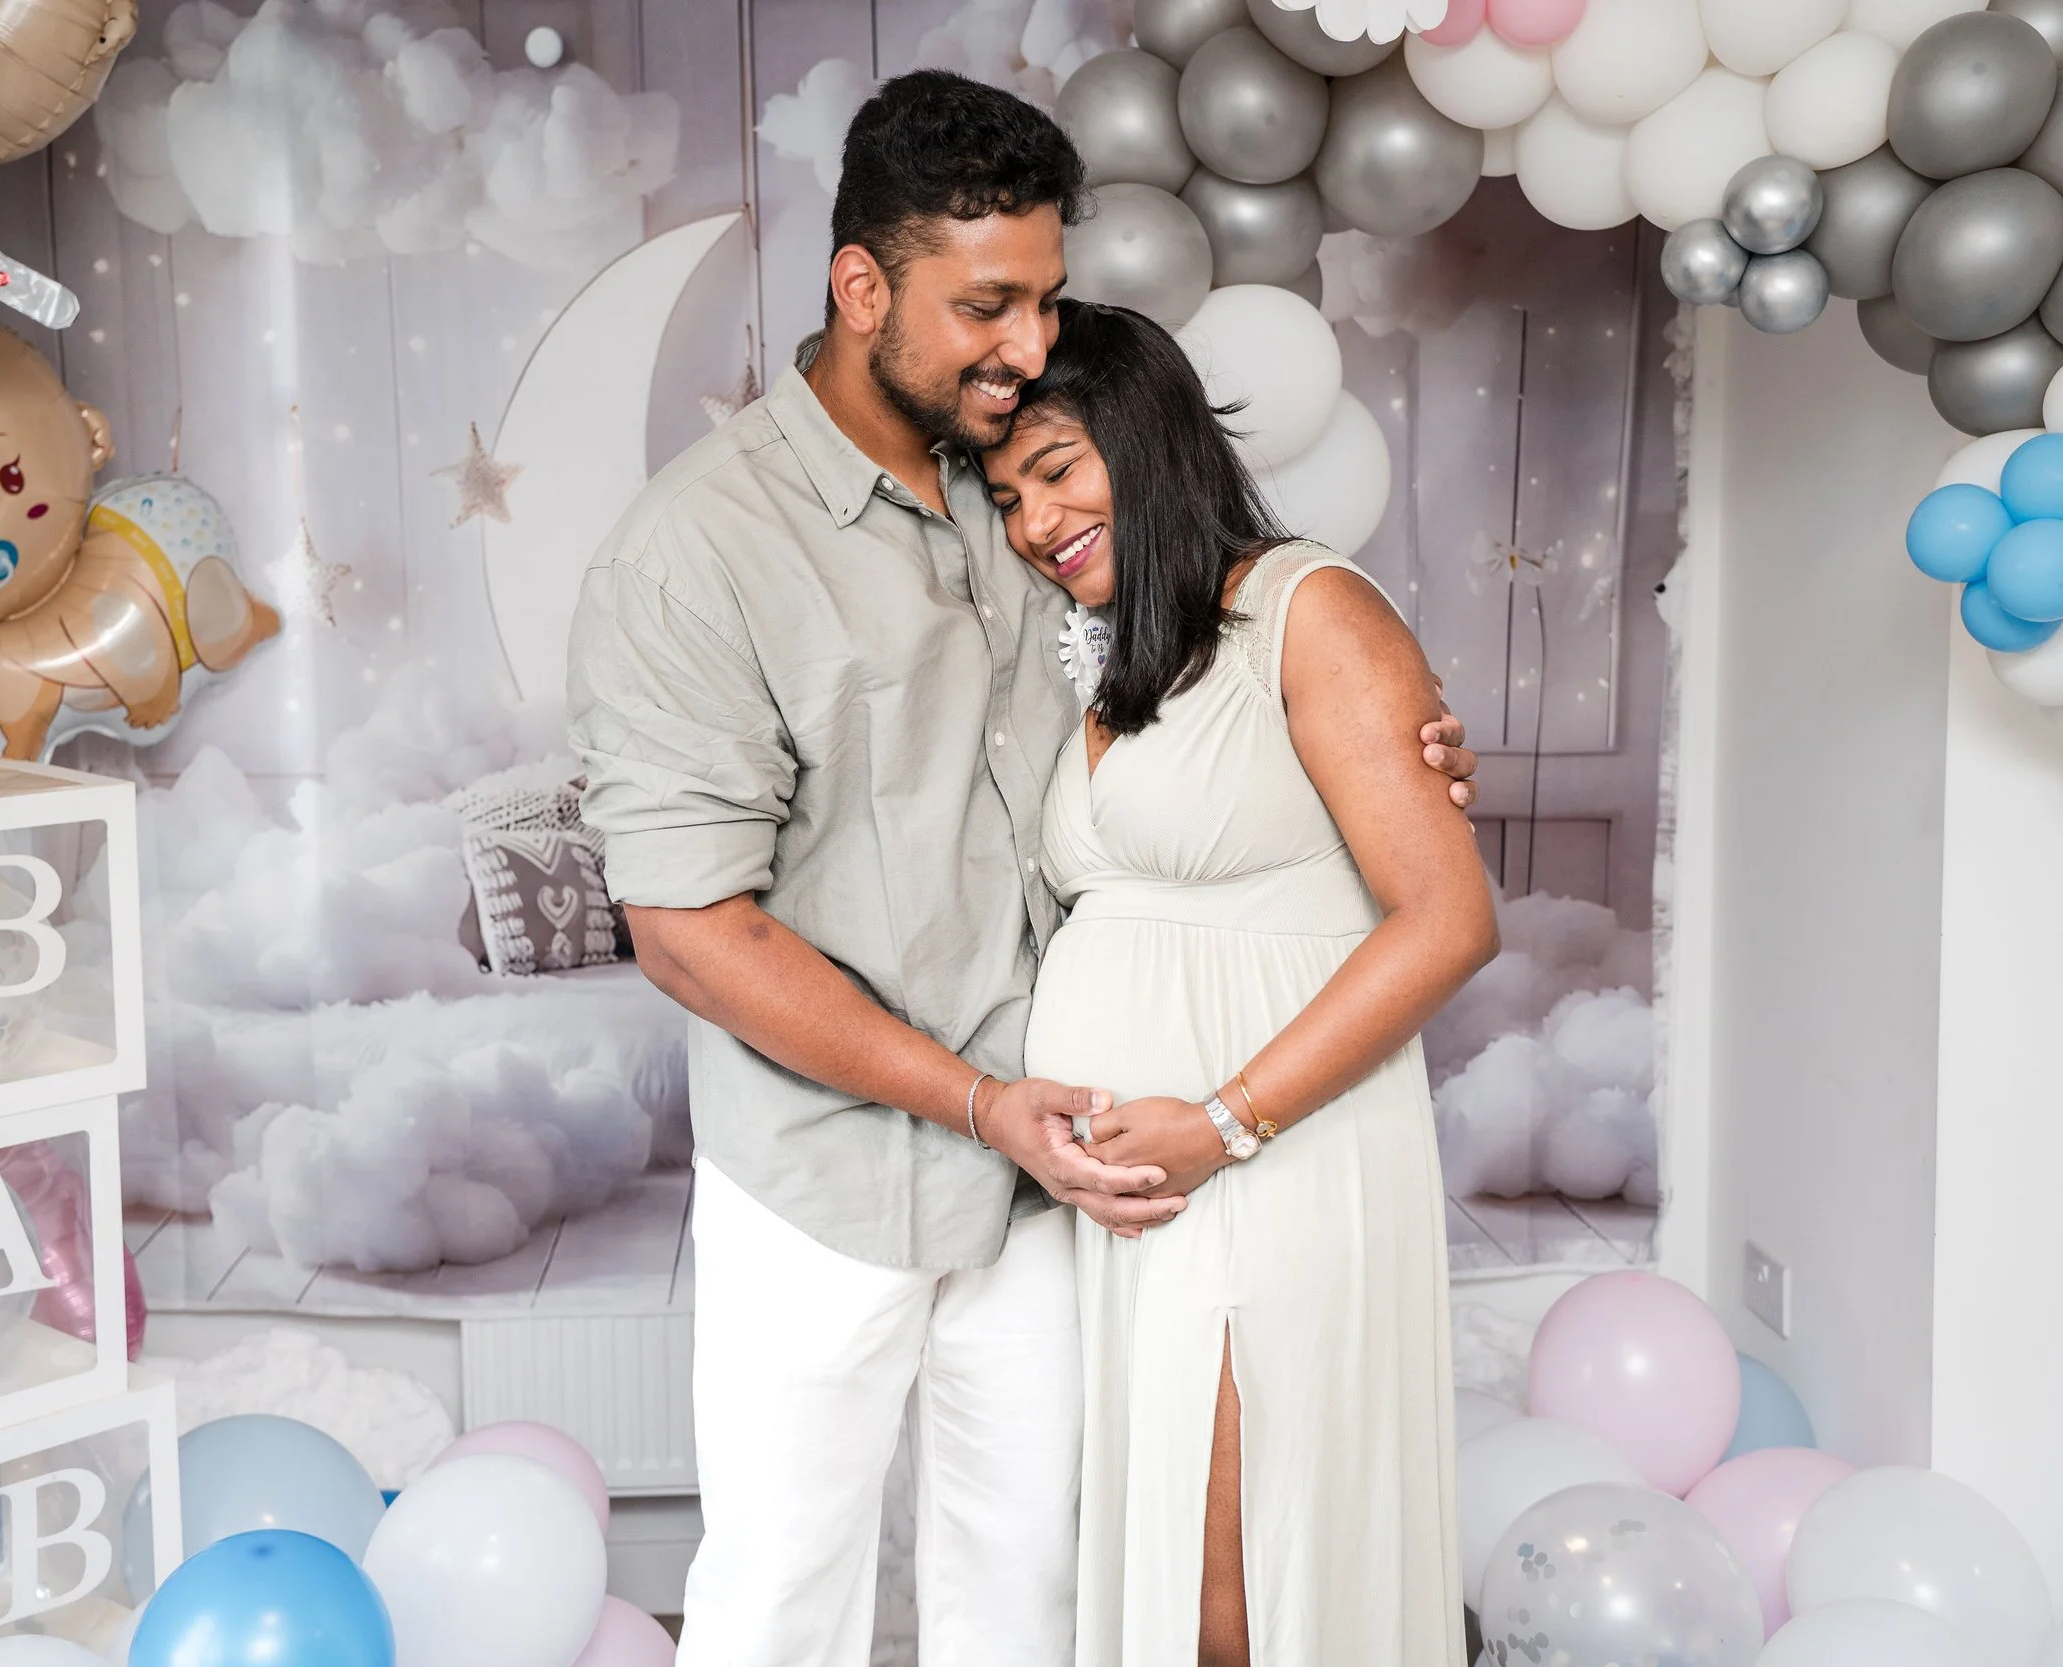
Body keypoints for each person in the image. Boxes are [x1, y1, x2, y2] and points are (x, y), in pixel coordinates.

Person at [565, 71, 1478, 1667]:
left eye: (1046, 300)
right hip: (831, 1170)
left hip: (1058, 1172)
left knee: (1033, 1590)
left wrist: (1408, 748)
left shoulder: (1029, 478)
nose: (1027, 344)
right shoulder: (695, 551)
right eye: (987, 305)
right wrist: (978, 1102)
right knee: (783, 1596)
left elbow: (1223, 675)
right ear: (862, 288)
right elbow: (689, 930)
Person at [981, 298, 1499, 1667]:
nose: (1035, 523)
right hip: (1142, 1186)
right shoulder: (1107, 647)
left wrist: (1223, 1122)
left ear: (1146, 439)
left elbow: (1449, 919)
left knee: (1244, 1576)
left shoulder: (1308, 609)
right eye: (1008, 496)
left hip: (1271, 1153)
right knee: (1175, 1554)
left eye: (1057, 470)